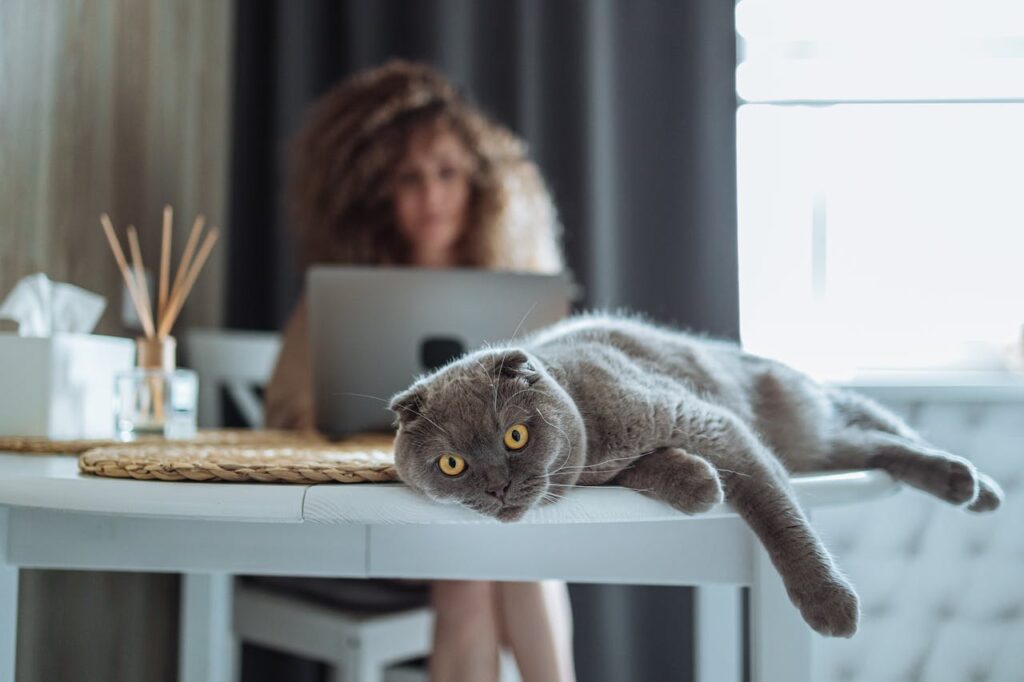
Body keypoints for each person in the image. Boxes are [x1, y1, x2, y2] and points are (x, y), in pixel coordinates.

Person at [264, 60, 575, 682]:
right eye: (409, 178)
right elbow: (285, 408)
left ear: (479, 182)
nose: (431, 196)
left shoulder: (517, 290)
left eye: (447, 173)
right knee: (485, 555)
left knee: (500, 549)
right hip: (375, 515)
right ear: (380, 191)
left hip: (483, 513)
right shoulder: (342, 296)